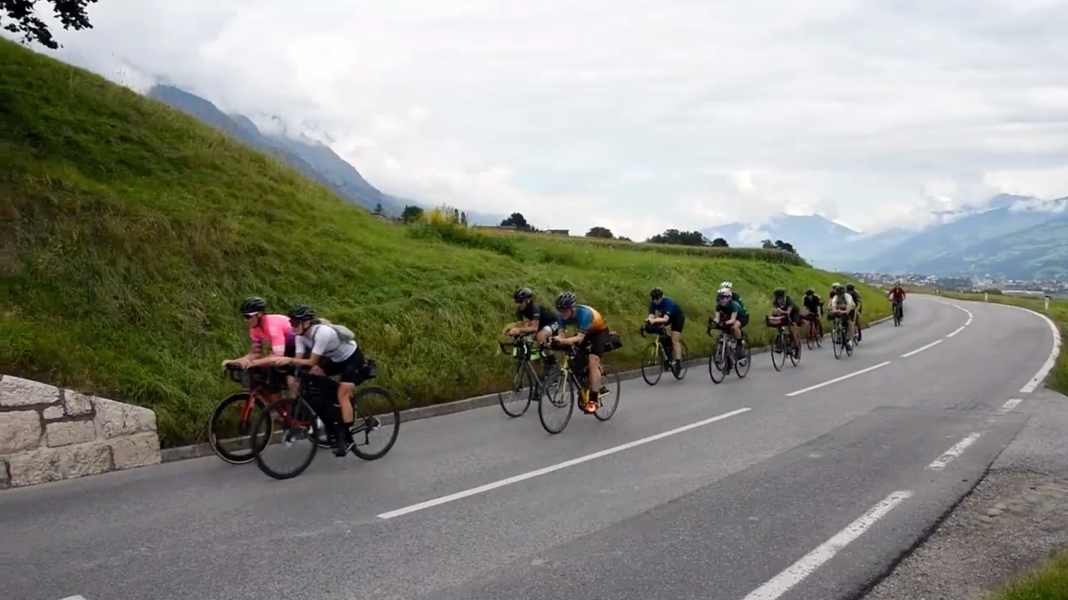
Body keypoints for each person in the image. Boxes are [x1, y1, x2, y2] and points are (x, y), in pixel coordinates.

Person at [270, 305, 366, 457]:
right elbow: (299, 360)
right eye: (291, 323)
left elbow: (312, 361)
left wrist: (287, 359)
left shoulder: (322, 333)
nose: (292, 327)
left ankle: (346, 437)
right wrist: (286, 368)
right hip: (335, 360)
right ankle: (333, 409)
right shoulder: (300, 336)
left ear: (306, 323)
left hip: (351, 359)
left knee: (342, 393)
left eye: (295, 323)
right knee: (315, 377)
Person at [222, 296, 297, 400]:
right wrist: (237, 361)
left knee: (279, 373)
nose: (245, 320)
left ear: (259, 314)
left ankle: (292, 408)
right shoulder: (254, 329)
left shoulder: (272, 326)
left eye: (248, 316)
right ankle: (275, 410)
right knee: (260, 372)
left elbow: (277, 357)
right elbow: (255, 353)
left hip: (298, 345)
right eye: (244, 316)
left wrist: (253, 363)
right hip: (285, 347)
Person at [551, 292, 610, 413]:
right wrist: (555, 341)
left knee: (592, 360)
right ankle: (585, 382)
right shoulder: (561, 316)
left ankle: (593, 400)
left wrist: (563, 340)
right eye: (560, 310)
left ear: (572, 308)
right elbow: (561, 335)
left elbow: (579, 338)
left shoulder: (585, 314)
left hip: (598, 333)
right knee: (575, 358)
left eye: (565, 310)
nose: (562, 313)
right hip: (585, 333)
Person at [646, 287, 685, 373]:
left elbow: (665, 319)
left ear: (661, 297)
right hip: (665, 317)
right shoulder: (653, 303)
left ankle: (678, 362)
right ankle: (668, 356)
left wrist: (654, 320)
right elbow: (651, 315)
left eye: (656, 299)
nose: (655, 301)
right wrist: (649, 321)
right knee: (662, 334)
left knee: (675, 339)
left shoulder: (668, 303)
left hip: (677, 317)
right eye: (653, 299)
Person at [713, 287, 749, 359]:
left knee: (734, 327)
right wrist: (715, 322)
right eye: (720, 297)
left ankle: (739, 345)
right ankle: (728, 347)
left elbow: (733, 320)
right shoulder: (719, 306)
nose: (722, 300)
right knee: (724, 329)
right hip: (730, 317)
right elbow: (717, 318)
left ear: (729, 298)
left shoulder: (733, 305)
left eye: (724, 297)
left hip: (741, 317)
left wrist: (724, 323)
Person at [769, 288, 802, 357]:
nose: (779, 300)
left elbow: (788, 312)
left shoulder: (789, 300)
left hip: (794, 313)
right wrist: (773, 316)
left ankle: (797, 348)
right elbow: (775, 312)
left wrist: (780, 311)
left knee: (793, 328)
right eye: (777, 298)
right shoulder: (775, 302)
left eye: (780, 298)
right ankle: (780, 344)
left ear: (783, 297)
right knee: (779, 325)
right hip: (784, 313)